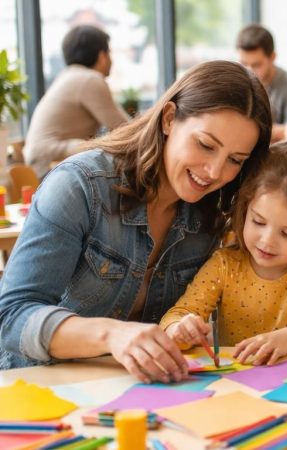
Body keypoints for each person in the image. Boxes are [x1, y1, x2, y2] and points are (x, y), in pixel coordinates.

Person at [0, 60, 273, 383]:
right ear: (170, 119)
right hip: (37, 389)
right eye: (205, 145)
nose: (214, 172)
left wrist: (183, 328)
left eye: (235, 160)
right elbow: (10, 317)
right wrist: (112, 335)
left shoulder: (210, 212)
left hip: (135, 392)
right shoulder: (79, 187)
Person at [161, 141, 287, 366]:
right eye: (258, 221)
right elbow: (176, 315)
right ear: (245, 208)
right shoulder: (225, 265)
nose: (267, 241)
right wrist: (179, 329)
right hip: (236, 386)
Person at [24, 25, 130, 178]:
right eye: (110, 53)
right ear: (102, 56)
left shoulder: (68, 76)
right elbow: (125, 129)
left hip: (37, 163)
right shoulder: (89, 79)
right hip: (50, 163)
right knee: (109, 149)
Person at [236, 24, 287, 142]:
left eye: (256, 65)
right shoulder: (236, 82)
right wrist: (278, 130)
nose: (249, 70)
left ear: (273, 57)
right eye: (243, 63)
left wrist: (247, 129)